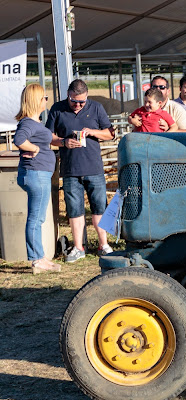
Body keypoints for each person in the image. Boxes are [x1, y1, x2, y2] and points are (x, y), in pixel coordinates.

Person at [45, 79, 115, 262]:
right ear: (68, 95)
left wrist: (92, 132)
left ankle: (104, 245)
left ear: (87, 98)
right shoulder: (57, 108)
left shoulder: (97, 108)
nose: (77, 105)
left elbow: (110, 133)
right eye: (73, 101)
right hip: (70, 170)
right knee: (74, 210)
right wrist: (63, 142)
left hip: (94, 168)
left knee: (99, 208)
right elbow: (48, 136)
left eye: (81, 102)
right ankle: (78, 247)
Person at [14, 84, 64, 273]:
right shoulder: (28, 123)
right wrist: (34, 149)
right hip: (36, 174)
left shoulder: (34, 123)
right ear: (36, 100)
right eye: (44, 97)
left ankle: (40, 256)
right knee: (36, 218)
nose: (46, 101)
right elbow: (19, 140)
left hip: (38, 174)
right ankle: (37, 259)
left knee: (38, 217)